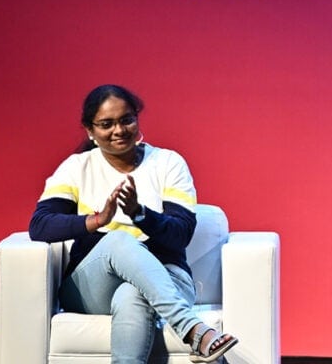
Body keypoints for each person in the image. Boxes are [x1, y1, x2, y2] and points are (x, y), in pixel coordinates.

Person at [29, 84, 239, 363]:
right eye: (106, 124)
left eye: (126, 119)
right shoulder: (76, 167)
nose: (119, 130)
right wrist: (96, 221)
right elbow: (41, 226)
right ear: (90, 131)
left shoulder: (168, 163)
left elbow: (180, 235)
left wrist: (141, 215)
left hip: (168, 276)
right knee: (116, 239)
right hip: (91, 288)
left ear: (137, 119)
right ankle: (192, 328)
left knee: (131, 293)